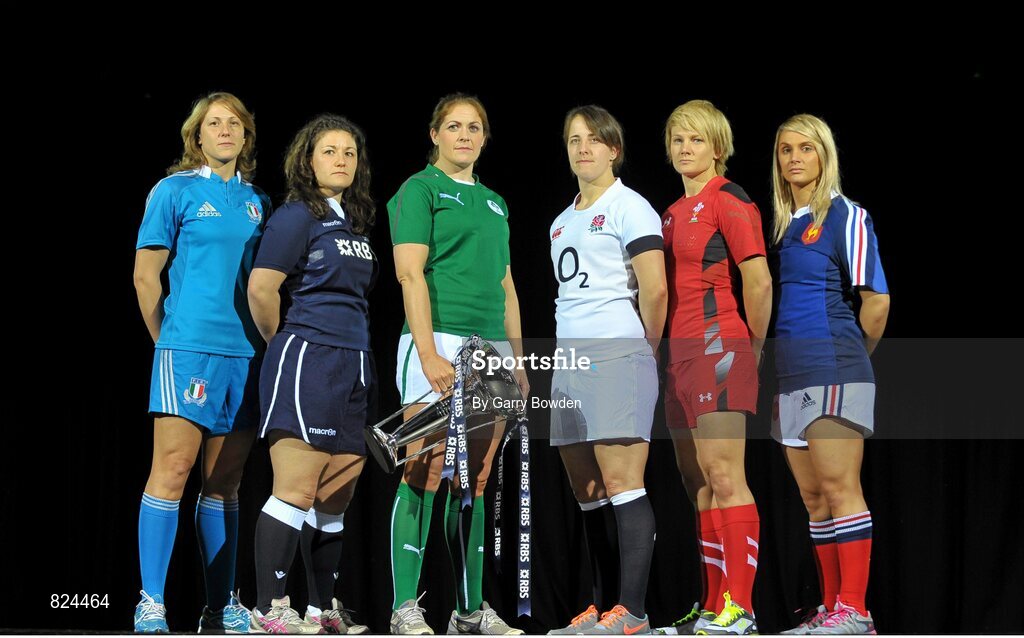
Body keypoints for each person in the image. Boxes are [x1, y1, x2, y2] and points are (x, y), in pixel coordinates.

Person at [387, 93, 529, 635]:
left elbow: (507, 284)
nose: (464, 135)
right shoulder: (419, 190)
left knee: (475, 480)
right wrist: (427, 354)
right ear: (435, 135)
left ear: (485, 138)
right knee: (424, 468)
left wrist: (517, 362)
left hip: (490, 349)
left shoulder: (496, 202)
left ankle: (468, 612)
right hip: (438, 344)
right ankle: (405, 608)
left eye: (474, 127)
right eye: (453, 126)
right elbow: (409, 275)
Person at [133, 91, 270, 633]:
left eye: (234, 123)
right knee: (172, 470)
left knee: (226, 481)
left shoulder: (258, 200)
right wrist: (166, 340)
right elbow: (147, 277)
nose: (225, 130)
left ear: (245, 135)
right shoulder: (174, 191)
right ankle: (151, 601)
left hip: (246, 355)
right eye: (214, 123)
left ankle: (220, 606)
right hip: (187, 349)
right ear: (197, 134)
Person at [246, 113, 377, 634]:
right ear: (307, 159)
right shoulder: (296, 215)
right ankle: (269, 608)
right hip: (307, 357)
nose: (341, 160)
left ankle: (321, 610)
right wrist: (284, 341)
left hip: (354, 363)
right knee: (296, 489)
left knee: (336, 495)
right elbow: (262, 288)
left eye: (349, 152)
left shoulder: (353, 220)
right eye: (330, 151)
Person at [546, 105, 667, 636]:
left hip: (617, 353)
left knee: (622, 482)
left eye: (594, 140)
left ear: (613, 149)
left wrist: (645, 349)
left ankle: (633, 611)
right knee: (587, 489)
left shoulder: (630, 206)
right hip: (568, 361)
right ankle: (601, 608)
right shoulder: (559, 222)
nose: (583, 148)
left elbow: (655, 288)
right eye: (574, 140)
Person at [771, 114, 889, 635]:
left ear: (825, 155)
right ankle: (831, 609)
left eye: (806, 149)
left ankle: (855, 610)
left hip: (834, 367)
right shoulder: (785, 223)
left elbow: (877, 302)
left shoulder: (847, 216)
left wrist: (849, 355)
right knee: (814, 499)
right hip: (791, 376)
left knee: (841, 489)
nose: (795, 158)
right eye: (785, 150)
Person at [658, 100, 772, 636]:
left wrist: (752, 346)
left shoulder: (730, 200)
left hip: (719, 349)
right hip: (679, 359)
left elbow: (759, 280)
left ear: (718, 148)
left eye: (697, 140)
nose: (686, 149)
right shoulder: (673, 211)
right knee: (697, 481)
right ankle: (712, 606)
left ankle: (741, 610)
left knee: (726, 477)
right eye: (679, 140)